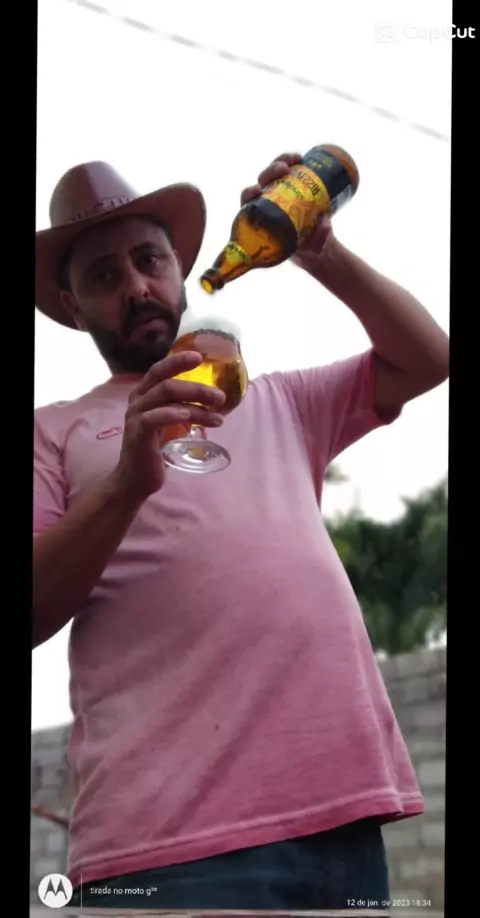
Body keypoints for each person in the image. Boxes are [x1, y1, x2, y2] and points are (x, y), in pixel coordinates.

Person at [33, 155, 449, 910]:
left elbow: (428, 357)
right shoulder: (53, 431)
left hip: (340, 818)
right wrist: (126, 482)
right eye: (103, 276)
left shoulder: (276, 400)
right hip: (165, 839)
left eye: (149, 260)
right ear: (73, 305)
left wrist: (323, 252)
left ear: (179, 269)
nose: (136, 287)